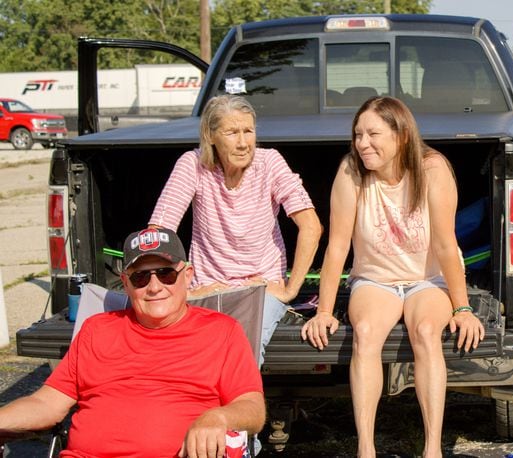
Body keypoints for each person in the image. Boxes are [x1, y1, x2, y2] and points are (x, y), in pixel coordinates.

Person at [300, 96, 485, 458]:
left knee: (427, 333)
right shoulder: (351, 171)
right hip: (375, 279)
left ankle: (432, 448)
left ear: (401, 136)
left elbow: (447, 246)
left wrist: (462, 307)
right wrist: (323, 311)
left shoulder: (432, 169)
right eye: (357, 134)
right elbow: (337, 246)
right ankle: (365, 448)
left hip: (427, 278)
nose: (362, 143)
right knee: (366, 334)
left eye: (372, 134)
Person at [0, 227, 265, 457]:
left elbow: (252, 409)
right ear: (125, 283)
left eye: (166, 274)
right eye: (140, 277)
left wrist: (218, 417)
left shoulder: (221, 331)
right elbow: (47, 404)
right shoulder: (97, 329)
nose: (154, 286)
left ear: (187, 275)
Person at [149, 94, 322, 365]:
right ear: (211, 136)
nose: (243, 143)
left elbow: (311, 225)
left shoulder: (270, 162)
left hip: (261, 288)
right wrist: (182, 286)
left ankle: (240, 408)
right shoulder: (192, 164)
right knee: (193, 356)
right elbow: (158, 234)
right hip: (208, 287)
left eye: (248, 131)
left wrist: (290, 290)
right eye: (232, 132)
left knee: (243, 350)